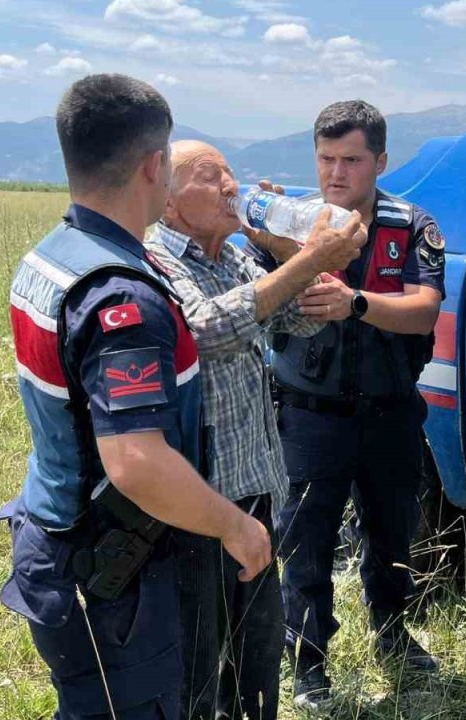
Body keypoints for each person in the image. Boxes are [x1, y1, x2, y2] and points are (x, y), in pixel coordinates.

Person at [0, 74, 272, 719]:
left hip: (60, 541)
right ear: (155, 166)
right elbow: (137, 461)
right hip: (114, 573)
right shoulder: (124, 296)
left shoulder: (56, 255)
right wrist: (236, 525)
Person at [142, 140, 366, 719]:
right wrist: (304, 263)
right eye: (209, 177)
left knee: (259, 651)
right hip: (198, 501)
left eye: (231, 176)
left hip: (257, 487)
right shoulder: (156, 261)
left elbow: (296, 320)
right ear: (167, 201)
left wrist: (289, 254)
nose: (230, 188)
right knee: (198, 657)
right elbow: (206, 331)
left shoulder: (235, 257)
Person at [261, 99, 447, 710]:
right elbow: (246, 283)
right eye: (325, 159)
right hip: (310, 414)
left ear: (380, 161)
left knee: (394, 533)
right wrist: (252, 223)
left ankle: (392, 634)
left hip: (391, 412)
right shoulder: (292, 223)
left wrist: (355, 303)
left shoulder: (410, 224)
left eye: (351, 160)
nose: (336, 173)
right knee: (305, 542)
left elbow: (424, 308)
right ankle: (308, 661)